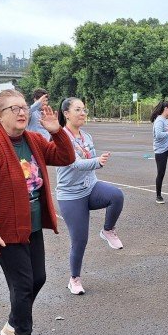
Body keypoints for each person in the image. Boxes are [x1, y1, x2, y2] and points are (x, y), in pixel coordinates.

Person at [0, 89, 75, 335]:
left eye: (22, 108)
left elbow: (65, 158)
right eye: (13, 109)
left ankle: (12, 324)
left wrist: (57, 132)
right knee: (23, 284)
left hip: (32, 225)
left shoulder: (32, 139)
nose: (21, 112)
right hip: (5, 230)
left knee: (37, 278)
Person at [56, 97, 125, 295]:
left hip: (90, 187)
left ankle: (108, 230)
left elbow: (87, 162)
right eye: (78, 110)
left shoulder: (86, 135)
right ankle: (74, 279)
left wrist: (95, 163)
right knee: (80, 240)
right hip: (70, 195)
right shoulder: (62, 137)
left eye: (84, 110)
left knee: (116, 196)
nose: (83, 113)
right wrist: (97, 161)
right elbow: (73, 163)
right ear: (66, 114)